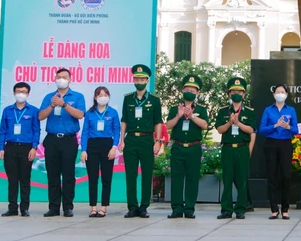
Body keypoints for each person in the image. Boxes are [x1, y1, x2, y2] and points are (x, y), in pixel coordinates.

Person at [38, 68, 87, 217]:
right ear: (55, 79)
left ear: (70, 79)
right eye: (59, 77)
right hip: (52, 139)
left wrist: (64, 104)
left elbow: (80, 114)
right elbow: (40, 116)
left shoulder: (78, 96)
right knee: (52, 174)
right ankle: (53, 207)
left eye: (64, 77)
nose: (61, 79)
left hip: (69, 140)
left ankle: (67, 207)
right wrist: (52, 105)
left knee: (68, 174)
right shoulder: (49, 97)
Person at [120, 64, 164, 218]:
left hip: (147, 140)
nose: (139, 80)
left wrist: (157, 141)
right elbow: (124, 120)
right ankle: (132, 207)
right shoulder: (127, 99)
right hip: (131, 139)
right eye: (136, 78)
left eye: (142, 78)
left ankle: (144, 206)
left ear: (147, 80)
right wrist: (122, 140)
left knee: (147, 174)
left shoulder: (154, 100)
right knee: (130, 175)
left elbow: (158, 121)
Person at [166, 75, 209, 219]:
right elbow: (167, 126)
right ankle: (177, 208)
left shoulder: (201, 109)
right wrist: (178, 116)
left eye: (193, 89)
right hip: (178, 147)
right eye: (187, 88)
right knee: (177, 178)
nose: (189, 91)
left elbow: (204, 125)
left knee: (192, 178)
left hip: (194, 148)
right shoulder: (175, 108)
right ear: (183, 90)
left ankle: (189, 208)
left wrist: (192, 117)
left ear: (197, 93)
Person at [216, 77, 256, 219]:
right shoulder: (222, 111)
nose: (236, 93)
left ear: (244, 94)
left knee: (242, 179)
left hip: (242, 148)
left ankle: (241, 209)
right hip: (227, 148)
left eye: (239, 91)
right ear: (229, 94)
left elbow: (251, 130)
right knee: (227, 179)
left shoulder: (249, 111)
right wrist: (229, 122)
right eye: (233, 91)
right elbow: (220, 130)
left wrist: (238, 123)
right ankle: (226, 209)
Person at [0, 82, 40, 217]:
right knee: (12, 179)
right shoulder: (7, 110)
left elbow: (36, 130)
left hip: (26, 148)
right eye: (18, 91)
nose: (20, 94)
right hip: (10, 147)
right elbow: (2, 130)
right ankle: (12, 207)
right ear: (14, 93)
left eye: (23, 91)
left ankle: (24, 208)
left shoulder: (33, 110)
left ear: (28, 94)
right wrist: (1, 148)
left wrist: (34, 147)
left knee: (25, 179)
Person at [260, 84, 298, 219]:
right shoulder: (268, 110)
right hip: (271, 144)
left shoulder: (291, 110)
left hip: (286, 144)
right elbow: (262, 129)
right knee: (272, 176)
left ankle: (285, 209)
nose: (280, 94)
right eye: (278, 92)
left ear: (286, 95)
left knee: (286, 176)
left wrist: (288, 126)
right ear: (273, 94)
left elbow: (296, 130)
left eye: (282, 92)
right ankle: (274, 209)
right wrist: (275, 125)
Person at [81, 86, 120, 217]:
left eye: (105, 94)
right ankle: (93, 207)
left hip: (107, 145)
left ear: (108, 96)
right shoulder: (90, 113)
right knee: (93, 178)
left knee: (106, 178)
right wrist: (83, 150)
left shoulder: (113, 113)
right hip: (92, 146)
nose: (102, 97)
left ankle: (103, 207)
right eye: (100, 95)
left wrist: (114, 147)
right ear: (95, 97)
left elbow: (116, 131)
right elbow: (85, 132)